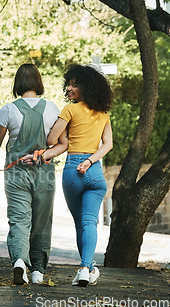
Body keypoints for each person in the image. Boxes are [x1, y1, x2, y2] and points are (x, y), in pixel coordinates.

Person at [0, 64, 68, 285]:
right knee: (42, 222)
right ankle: (37, 271)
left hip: (16, 174)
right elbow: (63, 143)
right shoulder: (53, 109)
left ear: (17, 83)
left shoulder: (8, 110)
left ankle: (19, 261)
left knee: (19, 220)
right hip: (44, 173)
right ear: (38, 82)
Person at [47, 64, 113, 287]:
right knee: (89, 223)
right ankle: (87, 268)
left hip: (73, 170)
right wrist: (91, 160)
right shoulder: (103, 113)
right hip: (93, 171)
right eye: (68, 84)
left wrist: (59, 131)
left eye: (74, 85)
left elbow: (52, 140)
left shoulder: (69, 110)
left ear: (87, 87)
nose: (69, 88)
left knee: (80, 225)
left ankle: (86, 268)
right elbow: (108, 145)